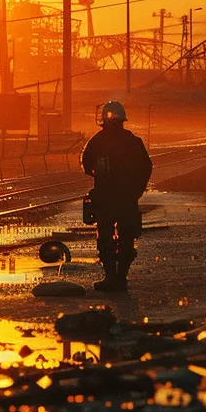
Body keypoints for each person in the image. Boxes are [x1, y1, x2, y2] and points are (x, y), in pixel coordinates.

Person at [81, 101, 153, 292]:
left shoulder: (97, 141)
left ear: (103, 119)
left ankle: (111, 276)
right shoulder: (133, 141)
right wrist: (137, 189)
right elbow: (146, 166)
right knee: (127, 237)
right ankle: (121, 276)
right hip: (127, 197)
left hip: (106, 196)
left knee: (105, 238)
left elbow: (87, 165)